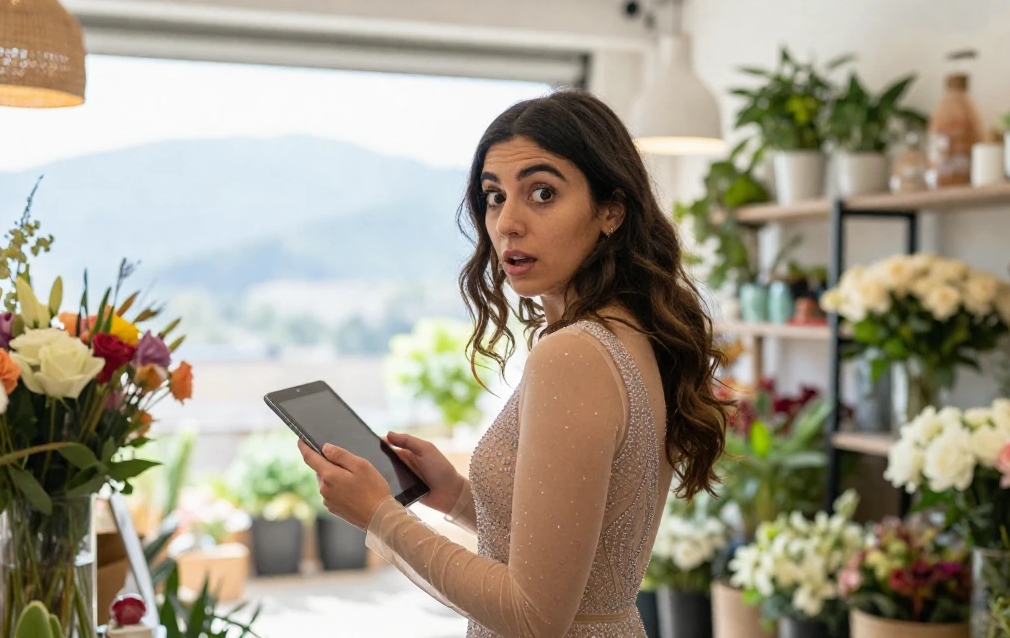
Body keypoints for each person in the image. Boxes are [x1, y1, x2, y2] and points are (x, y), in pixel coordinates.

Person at [298, 90, 729, 637]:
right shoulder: (632, 333)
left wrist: (380, 515)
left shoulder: (573, 355)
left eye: (542, 193)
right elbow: (580, 553)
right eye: (495, 196)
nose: (507, 223)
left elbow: (533, 617)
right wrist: (455, 496)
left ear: (611, 211)